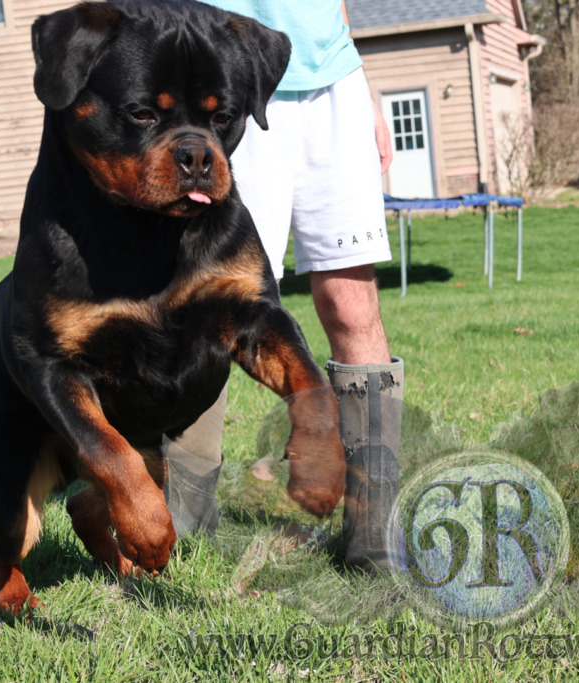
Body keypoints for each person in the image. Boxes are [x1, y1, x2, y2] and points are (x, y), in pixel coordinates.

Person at [163, 0, 403, 571]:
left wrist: (359, 82)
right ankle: (180, 530)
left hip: (332, 79)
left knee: (352, 303)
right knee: (213, 300)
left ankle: (374, 531)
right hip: (224, 69)